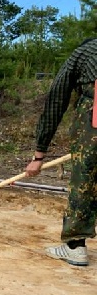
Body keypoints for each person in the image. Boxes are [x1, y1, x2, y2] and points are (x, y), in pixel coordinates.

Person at [25, 37, 97, 267]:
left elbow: (57, 99)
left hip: (93, 113)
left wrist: (39, 154)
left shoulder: (84, 50)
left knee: (85, 178)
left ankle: (75, 247)